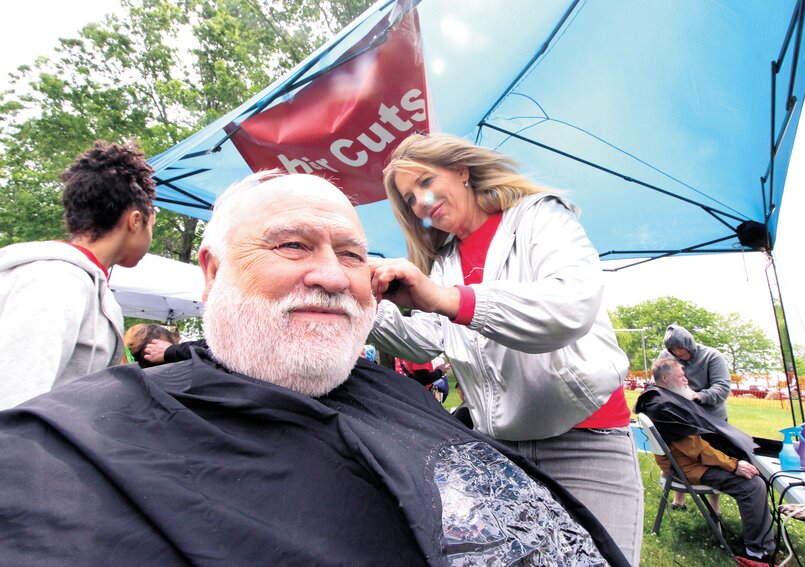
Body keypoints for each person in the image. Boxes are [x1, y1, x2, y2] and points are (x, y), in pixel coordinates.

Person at [0, 172, 627, 566]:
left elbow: (561, 308)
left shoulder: (535, 221)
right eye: (292, 245)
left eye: (352, 254)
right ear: (212, 272)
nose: (332, 273)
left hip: (584, 428)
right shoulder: (60, 454)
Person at [369, 133, 642, 564]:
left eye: (425, 181)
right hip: (501, 449)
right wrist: (355, 303)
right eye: (409, 200)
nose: (420, 203)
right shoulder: (445, 262)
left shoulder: (540, 218)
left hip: (585, 440)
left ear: (461, 170)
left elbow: (569, 307)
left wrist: (446, 299)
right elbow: (429, 339)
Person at [0, 140, 156, 409]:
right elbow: (13, 396)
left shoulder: (88, 285)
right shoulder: (53, 280)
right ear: (135, 221)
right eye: (152, 223)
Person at [634, 358, 775, 564]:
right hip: (686, 467)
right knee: (751, 484)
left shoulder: (664, 398)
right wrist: (733, 464)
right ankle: (757, 552)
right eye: (681, 375)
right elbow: (696, 449)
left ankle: (760, 539)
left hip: (690, 461)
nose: (686, 379)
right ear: (665, 377)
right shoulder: (661, 406)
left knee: (756, 469)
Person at [658, 324, 732, 420]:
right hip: (679, 415)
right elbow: (658, 381)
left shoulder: (712, 356)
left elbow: (722, 387)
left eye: (680, 348)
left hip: (711, 417)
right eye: (673, 349)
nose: (678, 353)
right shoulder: (665, 356)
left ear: (689, 344)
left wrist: (699, 396)